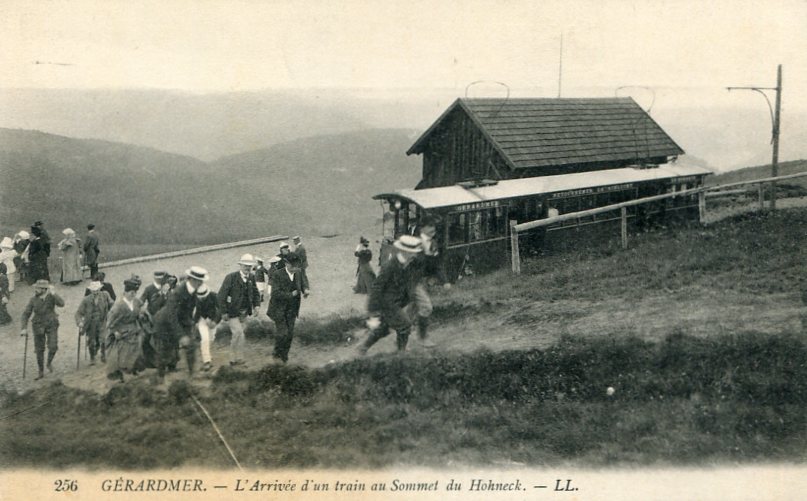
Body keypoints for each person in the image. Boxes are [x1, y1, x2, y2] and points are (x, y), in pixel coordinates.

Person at [358, 235, 423, 355]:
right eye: (412, 252)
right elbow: (377, 286)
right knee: (405, 325)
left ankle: (363, 348)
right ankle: (400, 353)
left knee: (384, 328)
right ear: (404, 251)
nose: (414, 255)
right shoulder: (390, 265)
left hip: (397, 301)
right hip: (387, 303)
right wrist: (372, 310)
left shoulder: (409, 264)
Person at [153, 267, 207, 379]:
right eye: (198, 280)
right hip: (164, 323)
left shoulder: (194, 291)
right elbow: (171, 315)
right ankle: (160, 377)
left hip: (180, 320)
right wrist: (181, 335)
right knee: (165, 351)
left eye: (201, 281)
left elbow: (188, 311)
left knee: (191, 344)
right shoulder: (178, 292)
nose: (201, 283)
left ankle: (192, 374)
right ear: (191, 279)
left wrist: (191, 326)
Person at [408, 216, 450, 347]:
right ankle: (422, 338)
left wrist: (444, 281)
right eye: (430, 225)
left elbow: (437, 265)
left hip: (421, 281)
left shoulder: (433, 244)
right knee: (426, 307)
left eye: (434, 226)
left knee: (411, 311)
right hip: (410, 281)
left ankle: (402, 338)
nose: (433, 228)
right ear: (422, 228)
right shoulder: (413, 243)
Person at [217, 254, 261, 367]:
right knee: (238, 333)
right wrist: (223, 312)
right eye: (245, 265)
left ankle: (239, 358)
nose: (247, 268)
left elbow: (255, 293)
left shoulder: (251, 277)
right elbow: (221, 295)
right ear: (240, 265)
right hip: (232, 312)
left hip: (244, 312)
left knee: (239, 335)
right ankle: (233, 359)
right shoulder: (231, 277)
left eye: (249, 266)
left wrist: (257, 306)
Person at [20, 279, 65, 380]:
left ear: (44, 289)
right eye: (36, 288)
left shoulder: (51, 297)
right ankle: (41, 371)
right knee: (39, 349)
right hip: (38, 326)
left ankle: (49, 363)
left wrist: (54, 293)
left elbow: (62, 304)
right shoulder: (33, 300)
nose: (36, 290)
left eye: (38, 288)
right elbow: (25, 314)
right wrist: (23, 328)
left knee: (53, 346)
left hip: (51, 324)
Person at [267, 253, 306, 363]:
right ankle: (276, 355)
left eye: (296, 265)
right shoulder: (277, 274)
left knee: (290, 334)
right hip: (278, 310)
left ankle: (284, 357)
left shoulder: (298, 272)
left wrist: (305, 289)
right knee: (282, 333)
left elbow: (302, 281)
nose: (294, 268)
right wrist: (290, 295)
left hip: (292, 310)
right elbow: (274, 293)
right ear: (286, 263)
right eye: (292, 265)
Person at [105, 276, 145, 382]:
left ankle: (134, 369)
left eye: (135, 293)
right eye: (131, 293)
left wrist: (141, 315)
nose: (133, 295)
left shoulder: (136, 302)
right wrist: (114, 332)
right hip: (123, 332)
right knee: (124, 354)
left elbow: (140, 309)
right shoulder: (118, 306)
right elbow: (109, 322)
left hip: (135, 329)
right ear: (125, 292)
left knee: (137, 350)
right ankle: (122, 374)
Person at [75, 280, 113, 365]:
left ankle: (103, 355)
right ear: (91, 291)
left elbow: (112, 304)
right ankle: (92, 357)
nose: (95, 292)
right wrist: (80, 322)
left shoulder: (105, 295)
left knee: (103, 339)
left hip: (102, 321)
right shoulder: (86, 300)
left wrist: (111, 308)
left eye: (97, 290)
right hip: (91, 323)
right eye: (93, 290)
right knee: (91, 342)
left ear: (100, 289)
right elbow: (78, 313)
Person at [194, 284, 221, 372]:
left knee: (211, 339)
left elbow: (220, 310)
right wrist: (195, 322)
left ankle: (208, 355)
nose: (201, 298)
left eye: (203, 296)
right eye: (200, 297)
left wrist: (214, 321)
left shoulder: (214, 296)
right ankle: (207, 361)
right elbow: (198, 310)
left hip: (213, 318)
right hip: (202, 319)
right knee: (204, 339)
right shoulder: (196, 297)